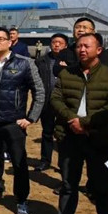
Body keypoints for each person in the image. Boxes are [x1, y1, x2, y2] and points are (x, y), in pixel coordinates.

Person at [48, 33, 108, 214]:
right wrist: (72, 120)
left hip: (98, 138)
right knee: (68, 183)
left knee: (101, 186)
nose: (81, 50)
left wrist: (86, 123)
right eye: (79, 46)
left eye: (87, 46)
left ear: (99, 50)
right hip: (69, 136)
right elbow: (56, 99)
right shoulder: (67, 74)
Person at [0, 27, 44, 214]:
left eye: (0, 38)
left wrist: (30, 117)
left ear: (10, 42)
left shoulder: (24, 63)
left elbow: (39, 91)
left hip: (14, 122)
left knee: (19, 162)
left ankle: (21, 200)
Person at [34, 33, 68, 171]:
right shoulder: (41, 61)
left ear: (66, 46)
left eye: (60, 43)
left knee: (62, 135)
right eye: (54, 42)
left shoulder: (72, 61)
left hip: (64, 104)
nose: (57, 45)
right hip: (47, 102)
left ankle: (63, 164)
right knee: (47, 133)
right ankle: (45, 160)